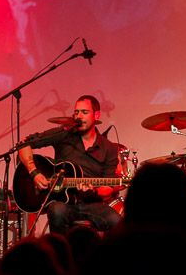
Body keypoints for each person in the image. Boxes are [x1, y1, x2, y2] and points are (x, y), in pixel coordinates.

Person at [16, 95, 123, 234]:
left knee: (116, 221)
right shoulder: (64, 134)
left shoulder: (109, 148)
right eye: (76, 112)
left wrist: (95, 190)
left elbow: (108, 187)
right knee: (57, 210)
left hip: (92, 204)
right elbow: (23, 144)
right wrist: (34, 172)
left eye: (84, 112)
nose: (79, 116)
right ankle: (61, 247)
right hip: (63, 203)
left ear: (96, 115)